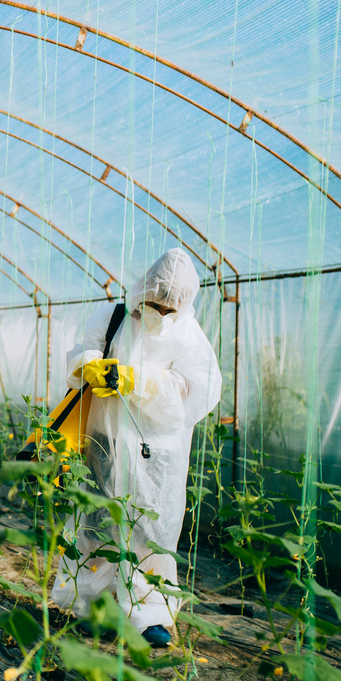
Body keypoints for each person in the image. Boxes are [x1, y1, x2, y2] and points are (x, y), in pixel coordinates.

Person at [51, 248, 221, 649]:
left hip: (156, 453)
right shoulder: (113, 317)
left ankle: (149, 616)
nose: (157, 310)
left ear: (181, 306)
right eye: (151, 301)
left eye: (167, 306)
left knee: (149, 530)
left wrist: (138, 380)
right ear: (140, 290)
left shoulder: (189, 337)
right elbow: (82, 351)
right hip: (104, 440)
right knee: (94, 520)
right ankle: (86, 602)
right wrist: (90, 364)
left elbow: (197, 391)